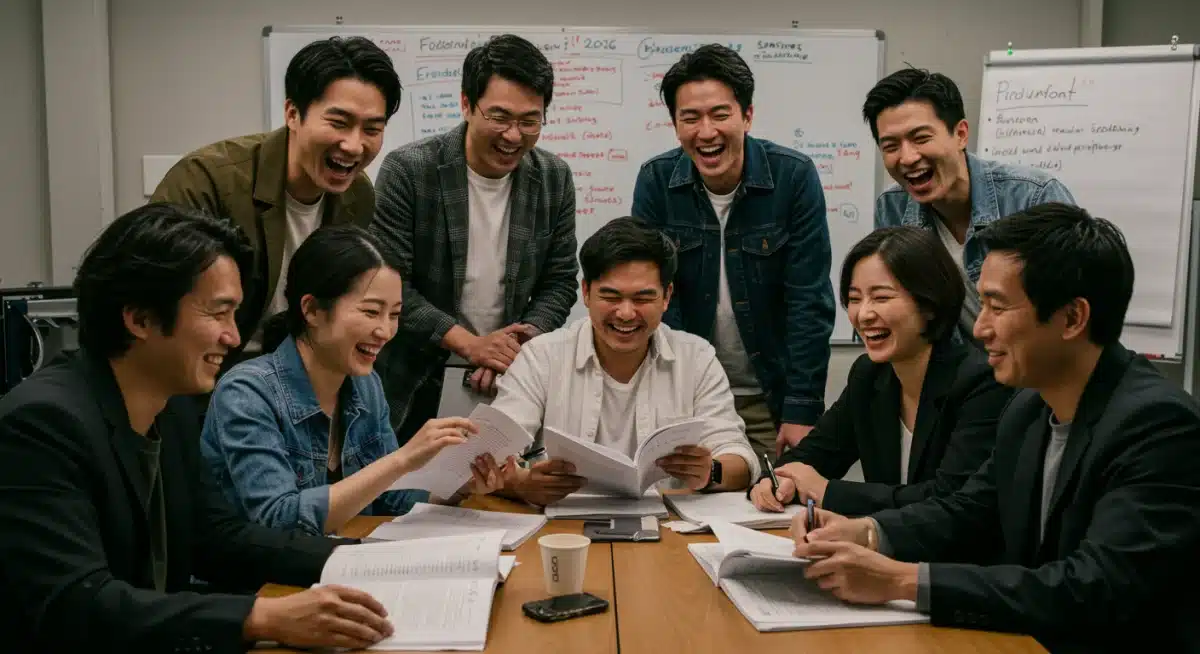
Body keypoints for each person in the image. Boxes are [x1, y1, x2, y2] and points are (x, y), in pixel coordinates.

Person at [790, 203, 1200, 654]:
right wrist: (867, 531)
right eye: (980, 304)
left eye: (996, 307)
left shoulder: (1158, 425)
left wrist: (901, 580)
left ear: (1071, 318)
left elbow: (1094, 586)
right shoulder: (1028, 408)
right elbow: (968, 511)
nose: (981, 328)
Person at [0, 203, 398, 652]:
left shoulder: (171, 408)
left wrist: (367, 561)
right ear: (140, 318)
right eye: (218, 313)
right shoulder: (42, 425)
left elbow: (218, 538)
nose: (232, 337)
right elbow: (76, 602)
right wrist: (260, 616)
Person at [201, 224, 503, 536]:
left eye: (395, 315)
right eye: (372, 312)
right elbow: (279, 520)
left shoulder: (365, 385)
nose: (385, 331)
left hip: (342, 568)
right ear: (313, 310)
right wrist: (403, 460)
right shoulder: (247, 393)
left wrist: (459, 485)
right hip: (263, 582)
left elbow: (392, 498)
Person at [370, 34, 578, 445]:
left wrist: (516, 347)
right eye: (499, 116)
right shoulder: (409, 171)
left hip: (507, 384)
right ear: (466, 104)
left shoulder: (554, 178)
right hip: (410, 381)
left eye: (530, 120)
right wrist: (470, 345)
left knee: (497, 498)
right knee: (404, 499)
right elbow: (390, 287)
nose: (514, 135)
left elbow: (560, 281)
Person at [632, 44, 836, 460]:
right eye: (690, 118)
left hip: (771, 400)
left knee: (774, 512)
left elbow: (808, 300)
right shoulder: (655, 182)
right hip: (685, 400)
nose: (706, 132)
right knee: (676, 515)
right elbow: (649, 297)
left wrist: (802, 408)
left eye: (720, 114)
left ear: (747, 115)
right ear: (675, 124)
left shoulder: (793, 177)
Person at [152, 36, 402, 365]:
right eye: (338, 123)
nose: (354, 146)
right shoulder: (206, 182)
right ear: (293, 113)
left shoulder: (358, 195)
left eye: (372, 129)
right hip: (199, 373)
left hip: (293, 374)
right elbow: (157, 303)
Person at [487, 217, 761, 506]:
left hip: (669, 532)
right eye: (611, 296)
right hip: (563, 534)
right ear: (586, 292)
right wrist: (521, 484)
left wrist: (711, 471)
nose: (626, 313)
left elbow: (740, 459)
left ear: (666, 296)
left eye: (643, 298)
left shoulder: (696, 358)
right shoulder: (541, 357)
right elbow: (490, 453)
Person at [748, 226, 1012, 516]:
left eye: (881, 298)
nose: (864, 314)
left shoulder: (980, 381)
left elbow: (948, 497)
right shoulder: (869, 375)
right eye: (855, 298)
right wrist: (771, 481)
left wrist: (826, 491)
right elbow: (810, 457)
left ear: (930, 304)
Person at [866, 67, 1076, 342]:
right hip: (958, 379)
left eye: (921, 138)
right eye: (891, 146)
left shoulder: (1033, 197)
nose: (907, 158)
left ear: (961, 134)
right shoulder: (892, 209)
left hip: (1035, 372)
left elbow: (1070, 313)